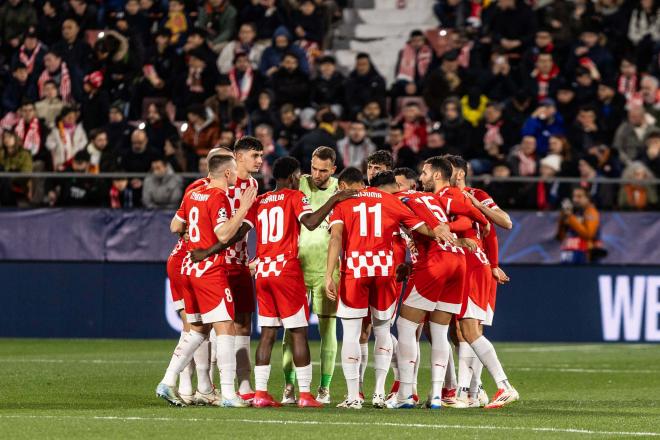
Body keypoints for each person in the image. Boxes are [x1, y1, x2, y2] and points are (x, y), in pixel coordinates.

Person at [192, 157, 356, 408]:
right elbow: (311, 223)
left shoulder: (260, 201)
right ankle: (305, 394)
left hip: (263, 273)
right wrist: (335, 200)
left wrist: (207, 251)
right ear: (292, 177)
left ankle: (260, 393)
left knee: (268, 334)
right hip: (286, 271)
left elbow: (236, 234)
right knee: (298, 333)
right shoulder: (294, 196)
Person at [325, 170, 445, 409]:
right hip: (384, 271)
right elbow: (426, 231)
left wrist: (330, 274)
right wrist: (444, 231)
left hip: (355, 270)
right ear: (390, 186)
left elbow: (335, 238)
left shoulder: (345, 202)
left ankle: (353, 397)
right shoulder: (393, 201)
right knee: (382, 330)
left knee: (351, 332)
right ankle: (379, 393)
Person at [156, 154, 257, 408]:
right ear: (226, 173)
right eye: (234, 171)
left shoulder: (193, 193)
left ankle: (168, 381)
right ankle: (229, 395)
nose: (236, 175)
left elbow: (175, 225)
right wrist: (244, 209)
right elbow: (223, 233)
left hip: (189, 267)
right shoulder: (219, 196)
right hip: (210, 270)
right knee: (226, 328)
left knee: (198, 330)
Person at [389, 156, 487, 409]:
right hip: (458, 262)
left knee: (406, 325)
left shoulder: (400, 199)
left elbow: (413, 226)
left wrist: (434, 231)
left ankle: (405, 395)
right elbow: (467, 219)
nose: (421, 178)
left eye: (423, 173)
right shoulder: (436, 199)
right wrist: (473, 227)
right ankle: (437, 396)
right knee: (440, 330)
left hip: (434, 262)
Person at [444, 154, 519, 409]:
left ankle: (496, 387)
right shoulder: (443, 197)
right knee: (460, 332)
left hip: (474, 266)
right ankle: (474, 392)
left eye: (449, 170)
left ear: (461, 173)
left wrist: (476, 204)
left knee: (470, 330)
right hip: (458, 266)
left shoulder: (477, 194)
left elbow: (503, 223)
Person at [164, 147, 234, 405]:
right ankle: (190, 386)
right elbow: (177, 227)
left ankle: (190, 386)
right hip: (192, 260)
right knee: (196, 328)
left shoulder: (196, 188)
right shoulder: (210, 190)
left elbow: (175, 225)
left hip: (183, 261)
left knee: (198, 328)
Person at [281, 147, 340, 405]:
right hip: (296, 268)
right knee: (290, 331)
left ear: (333, 170)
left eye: (323, 170)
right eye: (314, 168)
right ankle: (288, 386)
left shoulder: (341, 189)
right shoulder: (298, 182)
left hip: (327, 270)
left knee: (328, 329)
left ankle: (324, 388)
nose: (316, 174)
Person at [557, 186, 602, 264]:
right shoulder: (573, 212)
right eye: (574, 196)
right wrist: (562, 218)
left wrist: (570, 217)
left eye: (579, 197)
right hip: (568, 253)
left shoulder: (591, 212)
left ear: (587, 199)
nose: (575, 200)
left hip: (584, 254)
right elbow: (559, 237)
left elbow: (589, 234)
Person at [45, 106, 87, 170]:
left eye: (73, 117)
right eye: (68, 117)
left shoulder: (80, 130)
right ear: (63, 118)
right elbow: (49, 144)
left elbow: (84, 142)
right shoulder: (56, 131)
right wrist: (58, 145)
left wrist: (77, 147)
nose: (71, 119)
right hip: (61, 162)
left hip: (75, 162)